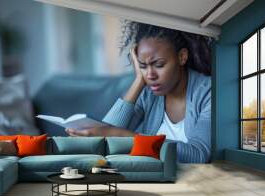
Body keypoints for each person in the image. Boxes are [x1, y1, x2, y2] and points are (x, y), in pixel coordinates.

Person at [66, 22, 212, 163]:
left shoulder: (208, 92)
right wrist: (138, 82)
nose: (150, 75)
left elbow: (198, 155)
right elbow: (108, 133)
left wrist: (123, 135)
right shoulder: (148, 92)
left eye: (159, 65)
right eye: (143, 65)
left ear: (182, 57)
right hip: (157, 180)